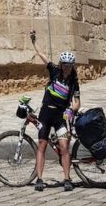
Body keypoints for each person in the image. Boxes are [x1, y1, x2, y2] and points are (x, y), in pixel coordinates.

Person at [30, 35, 80, 193]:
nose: (66, 67)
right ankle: (39, 179)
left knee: (64, 147)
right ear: (61, 64)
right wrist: (34, 42)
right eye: (64, 64)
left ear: (72, 65)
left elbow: (77, 101)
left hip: (61, 116)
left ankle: (67, 178)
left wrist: (72, 110)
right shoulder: (54, 71)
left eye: (69, 65)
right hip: (46, 112)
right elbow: (43, 56)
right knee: (42, 146)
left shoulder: (74, 80)